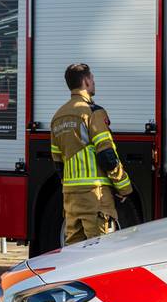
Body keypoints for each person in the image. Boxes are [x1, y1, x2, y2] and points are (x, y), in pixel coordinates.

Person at [50, 63, 132, 244]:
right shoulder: (93, 112)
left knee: (73, 254)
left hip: (71, 199)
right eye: (92, 79)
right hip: (95, 196)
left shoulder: (57, 117)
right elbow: (107, 155)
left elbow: (58, 162)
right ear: (86, 81)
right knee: (100, 252)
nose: (94, 82)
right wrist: (124, 186)